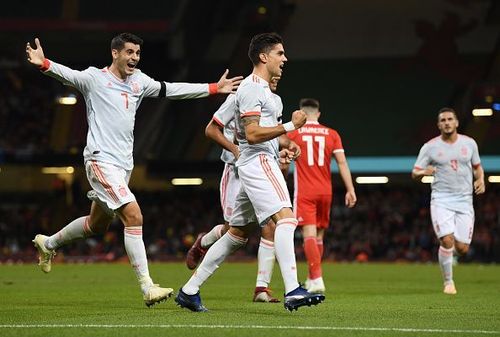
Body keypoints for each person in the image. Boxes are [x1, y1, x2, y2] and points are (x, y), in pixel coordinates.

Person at [26, 33, 242, 307]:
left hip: (123, 165)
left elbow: (171, 89)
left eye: (138, 53)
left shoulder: (139, 81)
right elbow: (66, 75)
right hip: (99, 160)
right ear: (115, 53)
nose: (134, 58)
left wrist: (212, 88)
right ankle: (147, 286)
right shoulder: (95, 79)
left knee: (96, 225)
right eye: (129, 52)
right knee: (133, 215)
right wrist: (43, 62)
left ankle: (49, 244)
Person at [175, 32, 325, 312]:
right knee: (286, 218)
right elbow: (253, 134)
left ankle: (189, 290)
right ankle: (293, 289)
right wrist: (292, 127)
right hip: (255, 161)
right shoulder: (251, 88)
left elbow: (267, 133)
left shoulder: (269, 96)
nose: (285, 59)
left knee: (237, 234)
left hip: (256, 161)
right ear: (263, 56)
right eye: (280, 53)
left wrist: (287, 144)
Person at [186, 77, 298, 303]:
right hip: (235, 170)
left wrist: (288, 145)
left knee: (271, 226)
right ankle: (203, 242)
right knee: (234, 231)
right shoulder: (239, 96)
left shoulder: (274, 100)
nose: (279, 75)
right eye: (278, 56)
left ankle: (261, 288)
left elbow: (274, 135)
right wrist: (234, 149)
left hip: (259, 165)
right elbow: (212, 129)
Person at [412, 107, 485, 295]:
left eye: (450, 119)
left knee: (462, 248)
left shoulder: (469, 144)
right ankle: (448, 282)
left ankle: (449, 256)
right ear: (438, 125)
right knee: (446, 240)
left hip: (464, 200)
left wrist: (480, 179)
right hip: (441, 199)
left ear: (457, 122)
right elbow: (415, 172)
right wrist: (424, 172)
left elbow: (477, 167)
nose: (446, 122)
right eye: (443, 120)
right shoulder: (430, 147)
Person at [287, 98, 357, 294]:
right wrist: (350, 189)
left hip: (305, 191)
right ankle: (312, 278)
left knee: (308, 235)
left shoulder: (294, 133)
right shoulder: (332, 134)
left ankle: (317, 278)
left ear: (301, 113)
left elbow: (283, 156)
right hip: (325, 190)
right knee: (319, 236)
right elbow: (342, 163)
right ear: (318, 114)